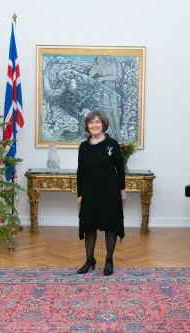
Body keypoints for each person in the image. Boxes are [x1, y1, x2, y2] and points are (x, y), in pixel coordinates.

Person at [76, 110, 126, 276]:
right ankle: (90, 260)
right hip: (90, 192)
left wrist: (122, 190)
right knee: (89, 225)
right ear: (87, 126)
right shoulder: (83, 146)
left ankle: (109, 259)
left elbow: (119, 168)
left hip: (109, 191)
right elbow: (80, 171)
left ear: (103, 124)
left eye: (97, 122)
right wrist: (80, 194)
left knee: (110, 225)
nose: (94, 125)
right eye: (91, 122)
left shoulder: (111, 145)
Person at [89, 56, 122, 141]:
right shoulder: (98, 68)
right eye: (98, 60)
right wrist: (95, 66)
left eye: (102, 58)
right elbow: (90, 75)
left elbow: (114, 77)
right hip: (104, 92)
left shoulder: (112, 65)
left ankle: (118, 133)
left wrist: (102, 78)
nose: (101, 60)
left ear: (105, 59)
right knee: (108, 112)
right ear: (97, 61)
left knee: (115, 112)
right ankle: (113, 131)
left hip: (113, 91)